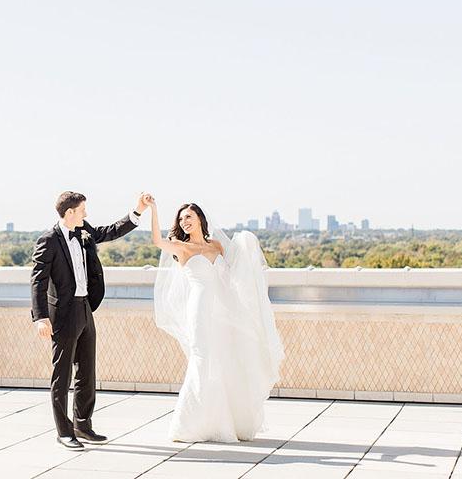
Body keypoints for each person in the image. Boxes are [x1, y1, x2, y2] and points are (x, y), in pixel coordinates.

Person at [148, 196, 285, 442]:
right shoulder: (182, 248)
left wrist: (246, 245)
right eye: (181, 219)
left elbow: (236, 275)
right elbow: (157, 240)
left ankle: (227, 421)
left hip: (224, 311)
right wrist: (153, 209)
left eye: (188, 216)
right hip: (199, 310)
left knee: (226, 359)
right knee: (202, 360)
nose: (185, 221)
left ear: (200, 218)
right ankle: (192, 424)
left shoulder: (217, 246)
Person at [30, 191, 149, 449]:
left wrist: (137, 210)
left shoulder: (84, 231)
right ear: (70, 212)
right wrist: (40, 318)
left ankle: (82, 425)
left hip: (85, 307)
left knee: (87, 370)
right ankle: (64, 432)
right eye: (83, 210)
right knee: (61, 375)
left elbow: (109, 232)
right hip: (63, 313)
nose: (86, 214)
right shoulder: (48, 240)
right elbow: (38, 281)